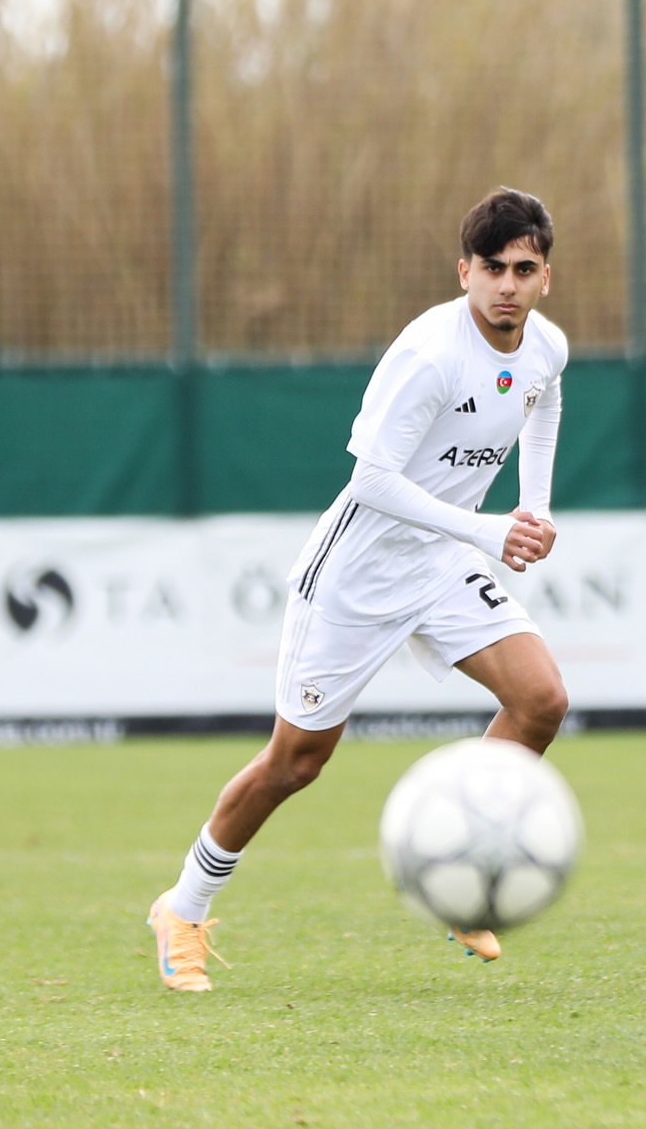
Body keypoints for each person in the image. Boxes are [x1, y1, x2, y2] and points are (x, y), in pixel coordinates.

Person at [148, 186, 570, 991]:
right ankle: (183, 907)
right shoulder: (431, 355)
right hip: (357, 574)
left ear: (545, 276)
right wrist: (488, 531)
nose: (508, 284)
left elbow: (543, 402)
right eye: (492, 268)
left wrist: (535, 506)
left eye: (524, 269)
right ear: (465, 272)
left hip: (441, 563)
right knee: (296, 762)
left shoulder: (546, 347)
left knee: (541, 699)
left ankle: (462, 879)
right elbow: (371, 479)